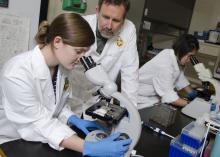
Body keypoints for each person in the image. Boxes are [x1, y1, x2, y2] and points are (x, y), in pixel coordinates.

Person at [0, 13, 131, 157]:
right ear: (57, 42)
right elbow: (37, 123)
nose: (81, 57)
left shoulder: (61, 68)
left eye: (85, 52)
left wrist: (72, 118)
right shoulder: (17, 73)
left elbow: (54, 105)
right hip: (10, 142)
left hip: (38, 140)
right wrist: (89, 147)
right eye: (78, 51)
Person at [70, 0, 139, 111]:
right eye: (106, 17)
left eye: (116, 20)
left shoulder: (128, 30)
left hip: (99, 99)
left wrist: (129, 113)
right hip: (72, 95)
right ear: (97, 11)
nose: (109, 26)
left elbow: (130, 74)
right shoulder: (81, 24)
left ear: (124, 20)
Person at [137, 34, 199, 109]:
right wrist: (194, 106)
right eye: (189, 56)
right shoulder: (165, 65)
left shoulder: (172, 55)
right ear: (181, 51)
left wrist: (192, 93)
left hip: (152, 97)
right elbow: (170, 97)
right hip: (140, 100)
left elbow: (179, 77)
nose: (189, 60)